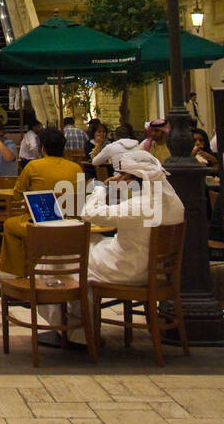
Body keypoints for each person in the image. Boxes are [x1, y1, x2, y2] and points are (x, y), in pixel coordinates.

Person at [40, 147, 185, 346]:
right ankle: (81, 321)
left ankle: (73, 329)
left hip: (126, 269)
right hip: (155, 271)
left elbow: (89, 213)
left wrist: (99, 188)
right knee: (89, 245)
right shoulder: (174, 201)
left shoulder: (140, 205)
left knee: (60, 256)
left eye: (122, 175)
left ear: (134, 179)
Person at [0, 127, 84, 278]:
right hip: (71, 225)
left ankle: (21, 276)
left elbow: (18, 195)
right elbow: (81, 198)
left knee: (9, 225)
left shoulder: (33, 166)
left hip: (40, 224)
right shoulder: (77, 168)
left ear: (43, 148)